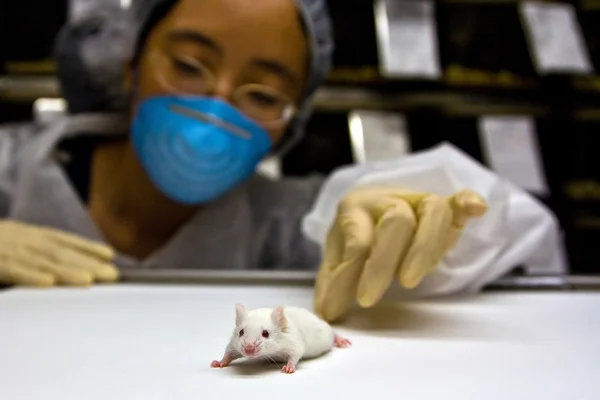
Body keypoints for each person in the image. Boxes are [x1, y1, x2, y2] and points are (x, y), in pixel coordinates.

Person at [0, 0, 487, 322]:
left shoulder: (287, 226)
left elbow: (517, 235)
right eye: (189, 66)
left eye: (263, 93)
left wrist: (420, 220)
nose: (218, 105)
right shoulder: (10, 167)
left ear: (288, 124)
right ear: (130, 68)